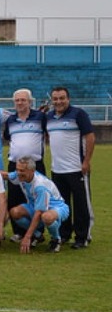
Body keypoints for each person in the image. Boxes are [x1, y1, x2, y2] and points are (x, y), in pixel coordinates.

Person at [45, 86, 94, 249]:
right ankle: (64, 234)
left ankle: (82, 237)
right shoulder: (49, 116)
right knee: (62, 205)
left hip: (77, 168)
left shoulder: (78, 114)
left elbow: (90, 137)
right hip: (57, 169)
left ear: (68, 99)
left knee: (81, 204)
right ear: (52, 100)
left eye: (62, 98)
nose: (59, 101)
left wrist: (86, 161)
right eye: (56, 98)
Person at [3, 88, 47, 243]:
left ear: (30, 101)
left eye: (23, 100)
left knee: (36, 198)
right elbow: (8, 138)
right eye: (17, 100)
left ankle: (37, 232)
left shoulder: (40, 117)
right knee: (14, 198)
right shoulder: (11, 120)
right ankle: (19, 232)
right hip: (15, 164)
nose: (20, 103)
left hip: (34, 165)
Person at [7, 157, 69, 254]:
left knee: (46, 217)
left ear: (32, 171)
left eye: (22, 170)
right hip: (35, 205)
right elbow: (5, 175)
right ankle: (37, 235)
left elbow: (39, 213)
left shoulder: (40, 186)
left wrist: (27, 237)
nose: (18, 173)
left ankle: (56, 239)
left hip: (56, 207)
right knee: (15, 212)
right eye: (17, 169)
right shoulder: (21, 175)